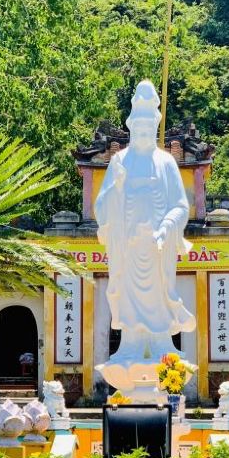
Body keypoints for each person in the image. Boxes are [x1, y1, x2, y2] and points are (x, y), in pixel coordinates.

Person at [94, 80, 195, 367]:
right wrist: (117, 188)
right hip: (127, 247)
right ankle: (130, 345)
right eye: (138, 128)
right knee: (127, 295)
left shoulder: (166, 162)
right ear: (130, 128)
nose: (143, 132)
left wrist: (165, 228)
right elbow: (101, 206)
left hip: (157, 247)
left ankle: (162, 343)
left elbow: (180, 205)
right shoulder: (119, 162)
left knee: (160, 294)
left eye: (148, 128)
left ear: (155, 128)